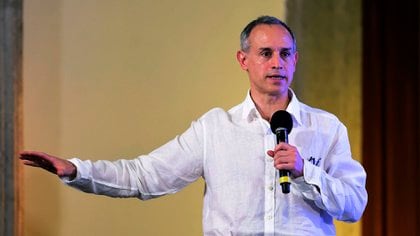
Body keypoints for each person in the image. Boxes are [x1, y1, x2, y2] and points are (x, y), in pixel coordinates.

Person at [20, 15, 367, 235]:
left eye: (285, 53)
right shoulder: (215, 129)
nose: (277, 63)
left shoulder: (327, 128)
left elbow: (354, 206)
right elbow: (144, 176)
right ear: (243, 60)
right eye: (265, 54)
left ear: (295, 59)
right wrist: (75, 170)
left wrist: (306, 171)